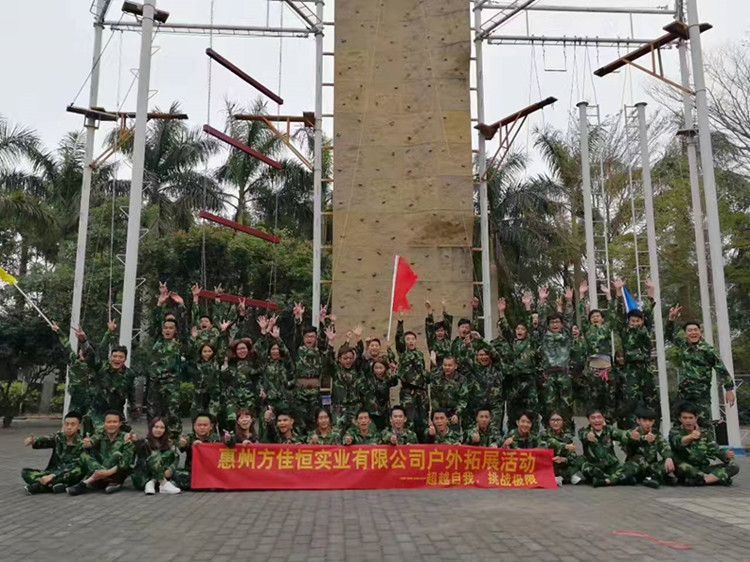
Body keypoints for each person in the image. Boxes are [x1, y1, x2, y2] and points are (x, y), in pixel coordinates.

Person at [667, 306, 737, 439]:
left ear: (700, 332)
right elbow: (668, 336)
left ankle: (709, 449)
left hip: (701, 395)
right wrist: (671, 319)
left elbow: (721, 368)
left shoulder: (708, 350)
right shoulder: (683, 345)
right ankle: (680, 448)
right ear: (685, 333)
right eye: (689, 330)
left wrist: (729, 389)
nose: (693, 333)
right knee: (678, 421)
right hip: (684, 393)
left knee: (704, 423)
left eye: (695, 330)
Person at [669, 403, 739, 486]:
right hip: (685, 467)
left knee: (734, 466)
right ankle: (716, 478)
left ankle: (703, 480)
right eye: (685, 418)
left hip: (703, 468)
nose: (688, 421)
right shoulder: (674, 431)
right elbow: (677, 442)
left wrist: (726, 454)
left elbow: (715, 450)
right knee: (683, 467)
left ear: (696, 418)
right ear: (680, 419)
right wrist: (690, 437)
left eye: (691, 418)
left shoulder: (705, 433)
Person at [67, 410, 135, 495]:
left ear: (120, 424)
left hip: (116, 474)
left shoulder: (126, 437)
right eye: (108, 422)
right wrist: (87, 443)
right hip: (100, 469)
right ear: (104, 423)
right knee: (83, 455)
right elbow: (92, 440)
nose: (111, 425)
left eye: (115, 422)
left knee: (117, 454)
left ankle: (86, 482)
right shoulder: (101, 434)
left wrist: (108, 472)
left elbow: (125, 464)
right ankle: (98, 479)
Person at [498, 293, 539, 428]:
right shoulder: (512, 342)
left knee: (531, 411)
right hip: (514, 381)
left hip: (528, 380)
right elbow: (505, 329)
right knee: (512, 412)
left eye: (522, 329)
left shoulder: (531, 342)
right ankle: (512, 434)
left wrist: (527, 307)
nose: (519, 331)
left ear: (526, 331)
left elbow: (530, 324)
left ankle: (533, 436)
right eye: (517, 329)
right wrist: (502, 312)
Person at [22, 411, 85, 494]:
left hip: (68, 473)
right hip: (53, 471)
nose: (69, 427)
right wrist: (33, 441)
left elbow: (76, 465)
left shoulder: (83, 443)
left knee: (78, 471)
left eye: (73, 424)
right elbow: (45, 440)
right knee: (25, 473)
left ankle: (40, 486)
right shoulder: (58, 437)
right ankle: (57, 486)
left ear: (79, 426)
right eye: (66, 424)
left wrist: (53, 475)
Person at [538, 287, 575, 429]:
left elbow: (569, 319)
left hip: (564, 375)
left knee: (566, 405)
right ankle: (549, 433)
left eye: (557, 322)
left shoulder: (566, 335)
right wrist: (542, 301)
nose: (555, 324)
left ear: (561, 324)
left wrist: (569, 301)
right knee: (549, 405)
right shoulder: (544, 335)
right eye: (552, 322)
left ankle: (567, 433)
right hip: (549, 376)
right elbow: (541, 320)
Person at [578, 281, 616, 419]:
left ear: (602, 319)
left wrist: (608, 296)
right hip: (593, 369)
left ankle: (608, 424)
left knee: (609, 398)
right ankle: (594, 423)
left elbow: (613, 314)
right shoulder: (587, 329)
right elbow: (582, 314)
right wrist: (581, 295)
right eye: (593, 316)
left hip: (607, 368)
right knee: (593, 398)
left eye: (598, 316)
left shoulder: (606, 328)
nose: (595, 318)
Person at [148, 318, 186, 440]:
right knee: (153, 412)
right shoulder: (157, 344)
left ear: (175, 331)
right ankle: (153, 438)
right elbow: (152, 364)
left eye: (171, 328)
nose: (167, 330)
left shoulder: (179, 345)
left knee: (172, 413)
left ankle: (174, 439)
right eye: (165, 328)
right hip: (156, 383)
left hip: (171, 384)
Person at [619, 407, 675, 489]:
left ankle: (650, 478)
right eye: (644, 421)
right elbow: (625, 443)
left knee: (670, 461)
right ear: (638, 421)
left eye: (650, 421)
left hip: (651, 467)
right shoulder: (633, 432)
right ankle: (651, 478)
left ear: (654, 421)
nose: (648, 423)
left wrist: (668, 457)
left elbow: (664, 446)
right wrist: (642, 439)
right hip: (636, 465)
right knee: (637, 460)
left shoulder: (655, 433)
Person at [577, 408, 633, 487]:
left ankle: (606, 480)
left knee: (631, 478)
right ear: (589, 420)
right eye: (593, 418)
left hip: (611, 466)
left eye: (599, 417)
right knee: (580, 461)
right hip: (595, 467)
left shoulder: (609, 430)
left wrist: (632, 434)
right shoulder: (584, 431)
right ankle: (614, 478)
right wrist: (588, 436)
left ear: (603, 418)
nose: (597, 420)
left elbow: (622, 434)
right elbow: (583, 435)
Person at [131, 417, 181, 495]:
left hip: (164, 474)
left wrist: (170, 469)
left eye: (162, 428)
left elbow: (176, 457)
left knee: (169, 454)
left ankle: (153, 482)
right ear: (151, 428)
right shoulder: (144, 442)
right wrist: (135, 441)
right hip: (143, 477)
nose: (158, 430)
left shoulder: (169, 443)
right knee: (155, 455)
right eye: (156, 427)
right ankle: (162, 483)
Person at [172, 413, 221, 490]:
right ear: (194, 426)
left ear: (211, 426)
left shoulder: (215, 438)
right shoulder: (189, 437)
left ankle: (203, 484)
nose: (202, 427)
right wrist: (185, 444)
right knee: (177, 474)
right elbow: (181, 446)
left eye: (205, 425)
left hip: (210, 471)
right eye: (199, 425)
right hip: (193, 471)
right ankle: (205, 484)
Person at [429, 355, 473, 429]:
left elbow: (463, 399)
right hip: (439, 414)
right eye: (445, 365)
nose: (447, 367)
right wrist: (439, 414)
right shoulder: (436, 378)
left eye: (450, 365)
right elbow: (433, 398)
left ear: (455, 366)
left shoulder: (461, 380)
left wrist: (457, 414)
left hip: (454, 414)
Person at [542, 411, 583, 485]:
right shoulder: (544, 434)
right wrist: (565, 446)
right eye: (553, 420)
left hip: (562, 463)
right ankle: (564, 476)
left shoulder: (567, 435)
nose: (555, 422)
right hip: (550, 462)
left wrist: (564, 459)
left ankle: (562, 476)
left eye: (558, 420)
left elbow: (572, 454)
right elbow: (550, 442)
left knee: (580, 460)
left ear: (563, 422)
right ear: (549, 422)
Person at [189, 343, 223, 421]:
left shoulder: (218, 363)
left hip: (214, 395)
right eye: (204, 351)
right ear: (201, 353)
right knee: (195, 417)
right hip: (199, 396)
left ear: (213, 352)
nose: (207, 353)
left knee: (212, 418)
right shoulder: (196, 364)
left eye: (209, 351)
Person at [361, 357, 395, 431]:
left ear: (385, 368)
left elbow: (394, 381)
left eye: (381, 368)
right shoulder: (369, 378)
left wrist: (393, 371)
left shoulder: (387, 379)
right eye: (376, 368)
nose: (378, 370)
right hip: (371, 410)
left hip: (384, 411)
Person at [425, 299, 453, 367]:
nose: (440, 333)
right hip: (436, 369)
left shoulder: (447, 340)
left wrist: (444, 308)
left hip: (448, 368)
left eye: (441, 331)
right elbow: (429, 327)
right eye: (437, 331)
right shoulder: (432, 342)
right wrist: (429, 311)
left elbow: (448, 325)